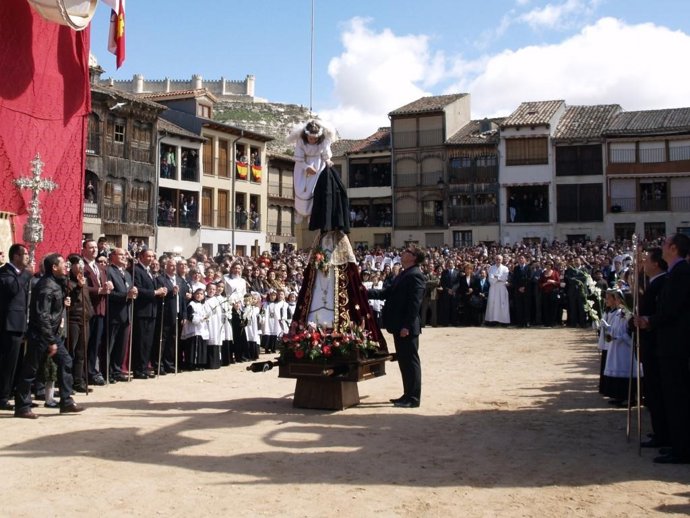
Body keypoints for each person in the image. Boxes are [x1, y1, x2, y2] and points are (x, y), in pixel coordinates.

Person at [634, 233, 690, 464]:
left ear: (674, 249)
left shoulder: (681, 273)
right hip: (669, 344)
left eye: (666, 243)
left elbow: (673, 310)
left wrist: (649, 321)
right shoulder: (676, 273)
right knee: (671, 396)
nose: (662, 246)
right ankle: (676, 443)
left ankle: (682, 448)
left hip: (675, 344)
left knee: (677, 398)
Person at [14, 253, 84, 418]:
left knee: (66, 361)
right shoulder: (46, 286)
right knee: (31, 369)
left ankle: (66, 401)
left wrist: (76, 289)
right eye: (63, 264)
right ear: (53, 267)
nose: (66, 266)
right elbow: (42, 315)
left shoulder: (57, 283)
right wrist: (51, 340)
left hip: (51, 334)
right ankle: (22, 407)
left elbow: (58, 306)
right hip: (41, 335)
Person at [367, 247, 426, 408]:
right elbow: (387, 292)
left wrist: (407, 325)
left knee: (410, 362)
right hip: (399, 325)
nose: (403, 253)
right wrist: (364, 292)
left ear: (413, 257)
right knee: (404, 362)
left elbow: (415, 304)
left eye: (407, 251)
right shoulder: (403, 273)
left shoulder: (416, 275)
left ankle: (413, 398)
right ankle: (407, 395)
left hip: (406, 327)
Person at [636, 247, 668, 449]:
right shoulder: (653, 282)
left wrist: (645, 321)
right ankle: (660, 431)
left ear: (656, 263)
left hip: (657, 345)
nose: (644, 263)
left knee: (657, 392)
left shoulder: (662, 283)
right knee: (654, 392)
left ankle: (663, 434)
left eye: (646, 260)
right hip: (651, 344)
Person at [0, 244, 32, 411]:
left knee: (18, 364)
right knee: (7, 364)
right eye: (24, 254)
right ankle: (3, 397)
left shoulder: (21, 274)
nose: (27, 257)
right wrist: (26, 274)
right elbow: (12, 288)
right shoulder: (5, 272)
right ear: (16, 257)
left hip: (21, 324)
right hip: (9, 325)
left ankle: (15, 393)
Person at [287, 119, 336, 223]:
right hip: (302, 166)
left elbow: (325, 154)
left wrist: (328, 160)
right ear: (306, 135)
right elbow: (298, 158)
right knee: (300, 189)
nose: (312, 140)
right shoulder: (301, 141)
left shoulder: (324, 141)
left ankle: (311, 213)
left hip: (318, 166)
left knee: (313, 190)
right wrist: (306, 167)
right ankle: (300, 212)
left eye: (315, 139)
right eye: (310, 138)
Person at [132, 247, 167, 380]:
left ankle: (144, 366)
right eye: (148, 256)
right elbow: (138, 289)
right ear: (141, 257)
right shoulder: (137, 270)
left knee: (148, 342)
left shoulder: (150, 272)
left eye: (153, 257)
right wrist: (155, 292)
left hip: (151, 311)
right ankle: (138, 368)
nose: (151, 259)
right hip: (142, 311)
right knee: (141, 341)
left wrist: (160, 292)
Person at [105, 248, 137, 382]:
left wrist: (133, 292)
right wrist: (126, 296)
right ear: (113, 256)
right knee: (110, 345)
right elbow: (109, 293)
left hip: (126, 314)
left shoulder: (127, 274)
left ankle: (116, 370)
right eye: (121, 255)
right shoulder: (108, 271)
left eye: (125, 255)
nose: (124, 257)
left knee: (121, 346)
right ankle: (107, 372)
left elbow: (129, 290)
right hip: (114, 314)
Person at [485, 254, 510, 326]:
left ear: (502, 260)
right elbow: (490, 279)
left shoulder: (505, 268)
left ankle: (503, 321)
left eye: (499, 259)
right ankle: (493, 321)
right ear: (495, 260)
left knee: (502, 304)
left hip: (502, 288)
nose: (498, 261)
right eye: (497, 259)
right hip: (493, 288)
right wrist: (499, 278)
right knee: (493, 304)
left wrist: (496, 277)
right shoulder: (491, 268)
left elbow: (504, 278)